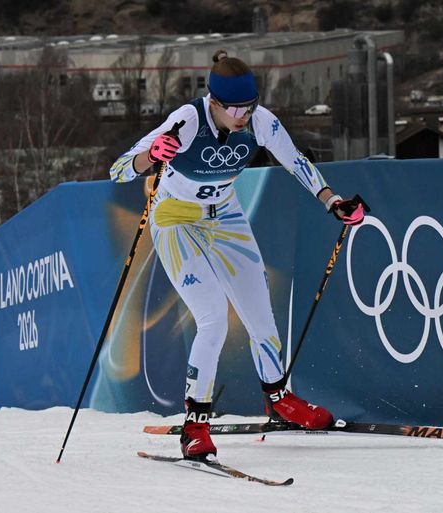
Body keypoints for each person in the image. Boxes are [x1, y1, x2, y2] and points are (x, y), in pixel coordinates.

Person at [109, 49, 365, 460]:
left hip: (226, 216)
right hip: (176, 219)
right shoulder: (187, 121)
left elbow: (296, 162)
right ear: (213, 101)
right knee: (212, 318)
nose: (242, 116)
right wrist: (151, 156)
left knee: (260, 315)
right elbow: (119, 169)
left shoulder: (261, 122)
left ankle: (279, 398)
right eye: (233, 109)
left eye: (249, 106)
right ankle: (195, 425)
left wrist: (332, 201)